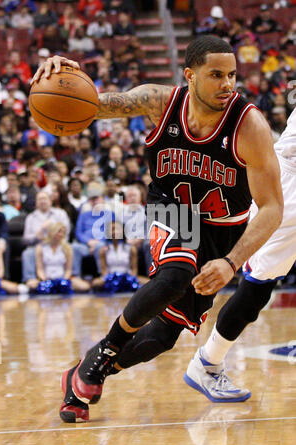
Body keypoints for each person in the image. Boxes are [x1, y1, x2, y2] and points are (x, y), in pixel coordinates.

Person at [32, 35, 283, 423]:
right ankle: (106, 350)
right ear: (189, 75)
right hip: (172, 207)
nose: (227, 84)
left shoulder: (249, 125)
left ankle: (87, 370)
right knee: (175, 274)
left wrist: (232, 263)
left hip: (223, 230)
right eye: (216, 75)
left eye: (232, 75)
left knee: (162, 337)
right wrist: (63, 73)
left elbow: (272, 209)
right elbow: (91, 104)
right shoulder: (159, 101)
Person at [184, 104, 296, 402]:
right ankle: (207, 363)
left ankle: (208, 361)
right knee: (258, 287)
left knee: (259, 287)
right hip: (289, 185)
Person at [26, 222, 90, 293]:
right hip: (46, 278)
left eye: (63, 232)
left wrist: (64, 279)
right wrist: (44, 279)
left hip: (62, 278)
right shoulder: (40, 248)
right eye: (59, 232)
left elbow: (68, 270)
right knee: (31, 284)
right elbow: (40, 269)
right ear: (52, 232)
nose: (61, 234)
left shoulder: (67, 248)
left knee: (84, 286)